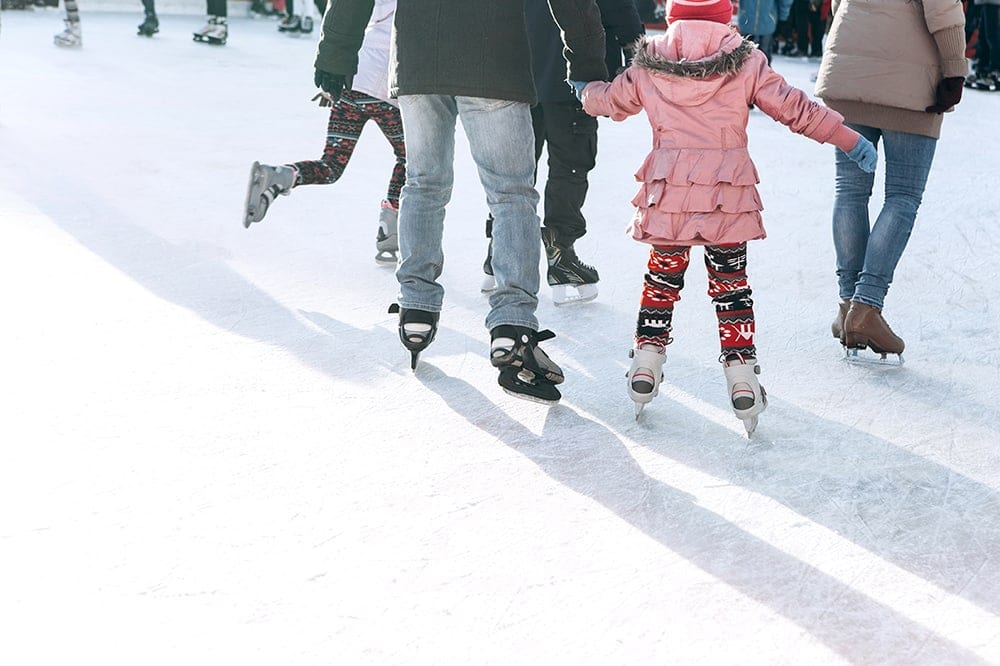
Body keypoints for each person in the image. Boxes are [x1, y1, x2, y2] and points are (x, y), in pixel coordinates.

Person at [573, 0, 877, 432]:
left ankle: (645, 365)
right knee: (731, 287)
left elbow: (611, 101)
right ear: (724, 16)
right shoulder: (747, 61)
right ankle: (742, 378)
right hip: (725, 194)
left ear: (674, 15)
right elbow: (795, 108)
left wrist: (584, 90)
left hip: (670, 193)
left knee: (661, 279)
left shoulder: (651, 61)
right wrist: (848, 139)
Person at [314, 0, 609, 404]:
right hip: (494, 61)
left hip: (419, 59)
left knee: (423, 183)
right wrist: (588, 63)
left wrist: (336, 53)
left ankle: (416, 306)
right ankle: (512, 325)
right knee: (511, 195)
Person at [814, 0, 967, 362]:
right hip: (909, 85)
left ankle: (848, 304)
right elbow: (943, 10)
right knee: (902, 196)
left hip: (848, 72)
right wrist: (955, 70)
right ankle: (865, 307)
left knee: (850, 191)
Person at [480, 0, 644, 305]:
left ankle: (499, 249)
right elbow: (619, 10)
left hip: (518, 74)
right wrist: (637, 56)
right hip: (577, 76)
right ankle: (561, 255)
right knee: (569, 166)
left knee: (516, 170)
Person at [243, 0, 404, 267]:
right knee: (411, 158)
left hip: (351, 76)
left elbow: (350, 16)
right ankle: (389, 231)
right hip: (386, 86)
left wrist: (332, 83)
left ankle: (280, 176)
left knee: (330, 166)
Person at [738, 0, 792, 65]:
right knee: (744, 61)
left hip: (767, 23)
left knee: (764, 60)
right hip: (747, 22)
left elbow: (785, 2)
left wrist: (783, 18)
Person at [967, 0, 1000, 90]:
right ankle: (983, 69)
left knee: (993, 35)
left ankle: (995, 71)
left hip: (994, 3)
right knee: (983, 36)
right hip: (984, 2)